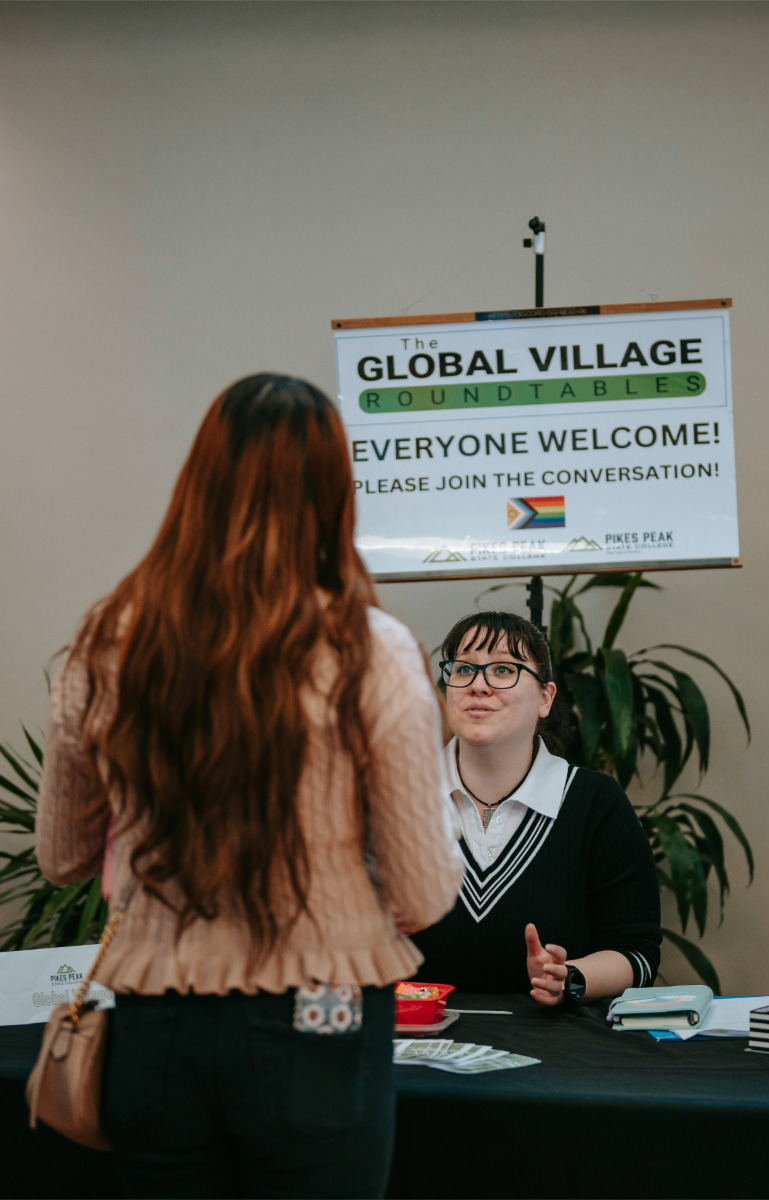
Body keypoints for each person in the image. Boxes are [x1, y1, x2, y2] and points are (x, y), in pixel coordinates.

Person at [36, 373, 463, 1199]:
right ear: (335, 495)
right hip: (321, 1018)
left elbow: (61, 855)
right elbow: (422, 890)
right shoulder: (370, 650)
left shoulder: (108, 642)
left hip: (156, 1026)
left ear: (196, 484)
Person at [410, 611, 661, 1004]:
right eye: (463, 670)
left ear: (545, 698)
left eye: (504, 670)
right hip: (413, 1041)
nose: (479, 685)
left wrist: (569, 978)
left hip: (559, 1049)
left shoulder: (595, 802)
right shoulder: (397, 796)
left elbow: (638, 953)